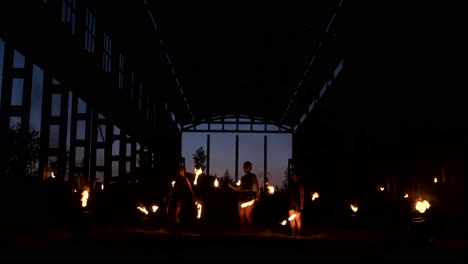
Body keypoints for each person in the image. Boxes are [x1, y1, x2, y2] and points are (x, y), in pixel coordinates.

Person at [228, 161, 260, 235]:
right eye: (244, 167)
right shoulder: (242, 178)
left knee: (247, 216)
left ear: (250, 168)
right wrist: (231, 186)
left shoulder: (253, 176)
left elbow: (257, 186)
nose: (245, 168)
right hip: (241, 197)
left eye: (247, 166)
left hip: (249, 197)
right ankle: (243, 232)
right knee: (241, 216)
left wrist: (258, 195)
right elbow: (239, 189)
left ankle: (250, 231)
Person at [163, 166, 196, 233]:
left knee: (175, 216)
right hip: (172, 198)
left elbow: (190, 189)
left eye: (180, 170)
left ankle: (177, 229)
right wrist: (167, 196)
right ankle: (170, 229)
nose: (178, 172)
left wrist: (193, 197)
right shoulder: (177, 179)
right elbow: (173, 190)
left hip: (178, 199)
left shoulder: (185, 179)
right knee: (169, 215)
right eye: (178, 170)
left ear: (183, 171)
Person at [288, 172, 305, 238]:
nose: (295, 178)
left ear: (298, 177)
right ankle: (293, 234)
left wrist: (302, 205)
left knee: (298, 218)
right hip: (291, 203)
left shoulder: (300, 185)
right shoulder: (291, 185)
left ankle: (299, 234)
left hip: (298, 203)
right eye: (294, 177)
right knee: (292, 219)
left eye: (296, 177)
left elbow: (302, 195)